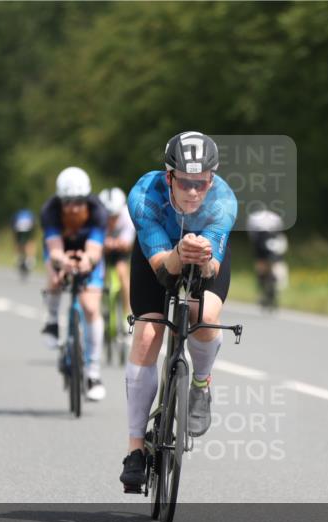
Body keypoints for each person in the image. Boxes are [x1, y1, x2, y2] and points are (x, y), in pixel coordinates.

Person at [119, 131, 237, 493]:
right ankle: (135, 449)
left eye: (202, 183)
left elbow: (212, 270)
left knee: (205, 316)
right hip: (156, 256)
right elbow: (161, 269)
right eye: (185, 182)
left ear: (212, 179)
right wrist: (178, 254)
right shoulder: (145, 196)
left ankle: (200, 384)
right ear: (169, 176)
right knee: (148, 332)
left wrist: (200, 257)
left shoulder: (223, 201)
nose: (193, 192)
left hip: (203, 256)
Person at [40, 166, 108, 401]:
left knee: (90, 307)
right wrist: (62, 263)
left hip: (88, 252)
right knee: (55, 277)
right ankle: (51, 320)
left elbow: (95, 250)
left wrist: (87, 261)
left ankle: (93, 373)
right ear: (60, 201)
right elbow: (54, 250)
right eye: (67, 202)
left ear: (87, 199)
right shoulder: (50, 211)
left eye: (79, 201)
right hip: (61, 250)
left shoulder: (98, 211)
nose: (73, 207)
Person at [98, 187, 135, 316]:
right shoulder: (97, 217)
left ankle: (127, 313)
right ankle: (100, 309)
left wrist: (116, 243)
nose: (111, 220)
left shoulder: (127, 216)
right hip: (101, 250)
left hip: (120, 251)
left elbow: (127, 244)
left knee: (122, 272)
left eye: (114, 217)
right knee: (99, 275)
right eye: (108, 217)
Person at [246, 208, 289, 309]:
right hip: (271, 246)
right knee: (270, 266)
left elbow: (252, 234)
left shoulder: (254, 217)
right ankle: (268, 286)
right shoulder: (275, 217)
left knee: (263, 268)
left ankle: (265, 287)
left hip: (264, 246)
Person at [12, 208, 37, 278]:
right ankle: (30, 259)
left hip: (19, 228)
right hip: (27, 228)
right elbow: (34, 223)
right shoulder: (29, 214)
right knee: (29, 242)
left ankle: (19, 258)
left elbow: (13, 224)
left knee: (18, 242)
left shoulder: (18, 214)